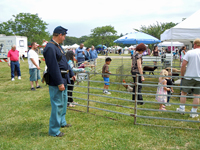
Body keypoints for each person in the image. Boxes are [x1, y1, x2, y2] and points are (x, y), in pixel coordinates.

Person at [43, 26, 76, 137]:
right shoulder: (50, 47)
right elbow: (53, 67)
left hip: (64, 78)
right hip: (57, 80)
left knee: (63, 102)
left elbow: (65, 62)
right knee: (57, 105)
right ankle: (54, 131)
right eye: (64, 36)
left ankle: (62, 122)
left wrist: (71, 74)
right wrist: (59, 82)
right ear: (60, 35)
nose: (65, 38)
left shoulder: (58, 47)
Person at [176, 38, 200, 118]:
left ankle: (182, 109)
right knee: (197, 95)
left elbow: (183, 65)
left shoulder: (189, 52)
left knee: (183, 93)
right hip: (199, 77)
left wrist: (182, 76)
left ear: (195, 44)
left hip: (188, 76)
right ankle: (193, 112)